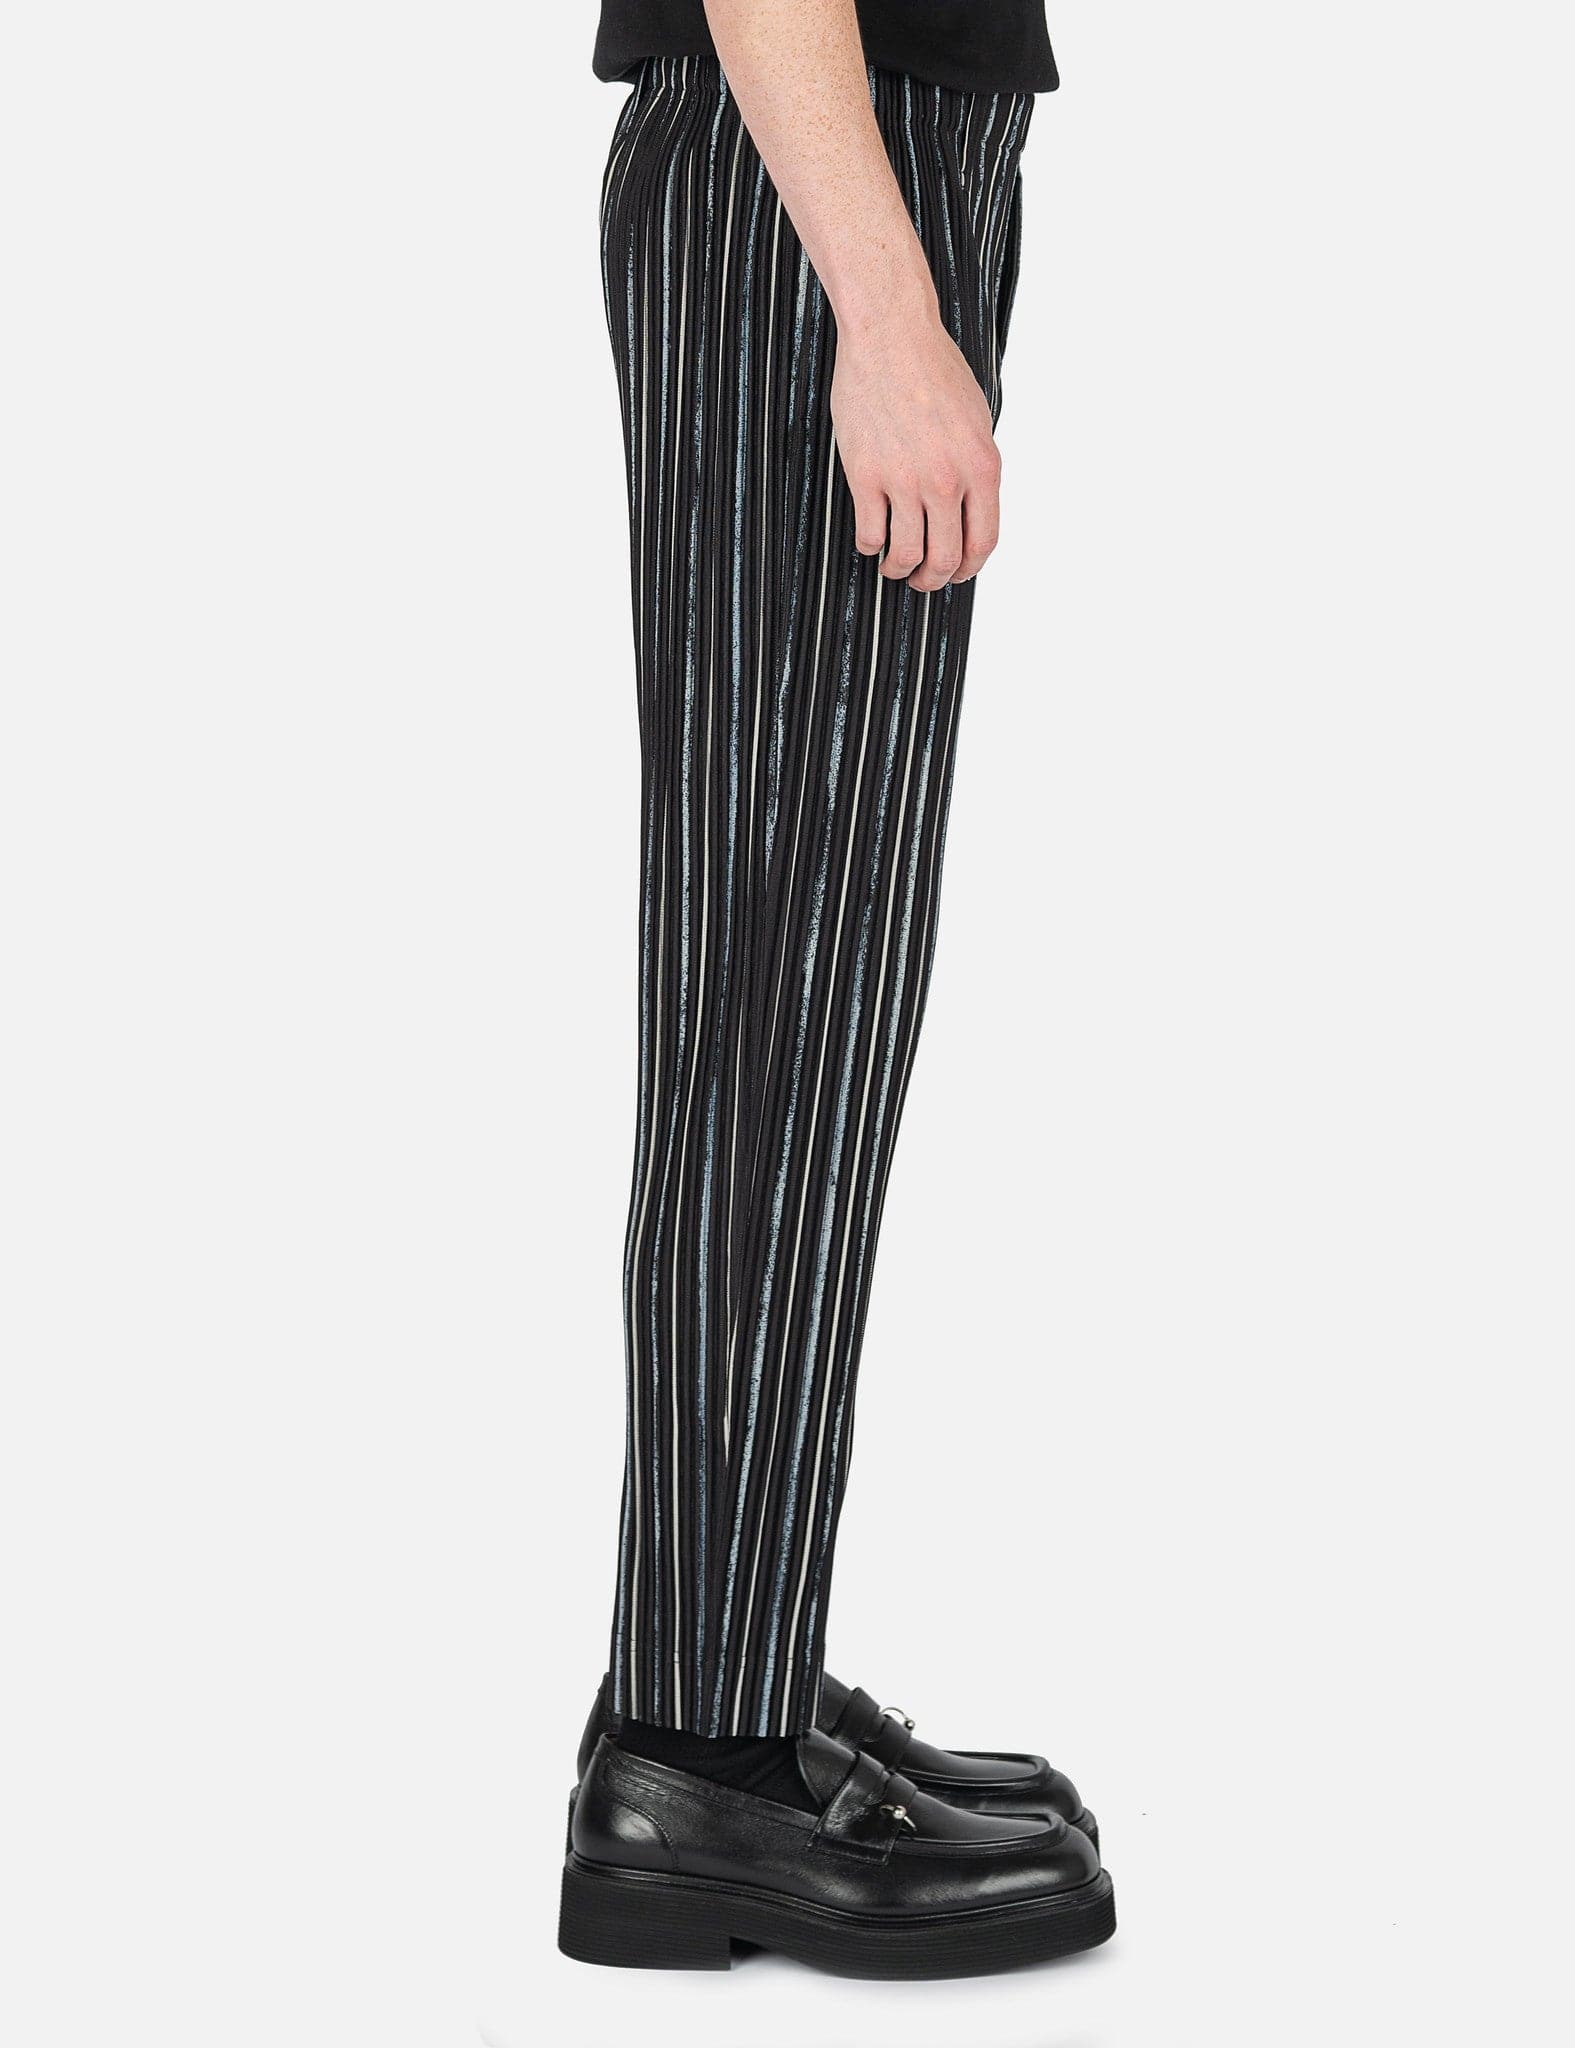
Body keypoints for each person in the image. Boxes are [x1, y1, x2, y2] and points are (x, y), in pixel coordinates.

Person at [560, 0, 1113, 1976]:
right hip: (811, 175)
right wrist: (882, 305)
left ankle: (732, 1669)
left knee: (810, 965)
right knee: (779, 977)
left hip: (846, 166)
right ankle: (696, 1752)